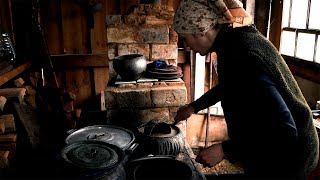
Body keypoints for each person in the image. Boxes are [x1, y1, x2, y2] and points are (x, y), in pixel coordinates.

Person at [173, 0, 319, 179]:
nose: (187, 46)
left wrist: (225, 149)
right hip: (270, 145)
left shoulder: (243, 54)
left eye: (185, 39)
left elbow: (285, 132)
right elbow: (231, 86)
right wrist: (194, 107)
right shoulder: (233, 42)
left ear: (200, 31)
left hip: (290, 155)